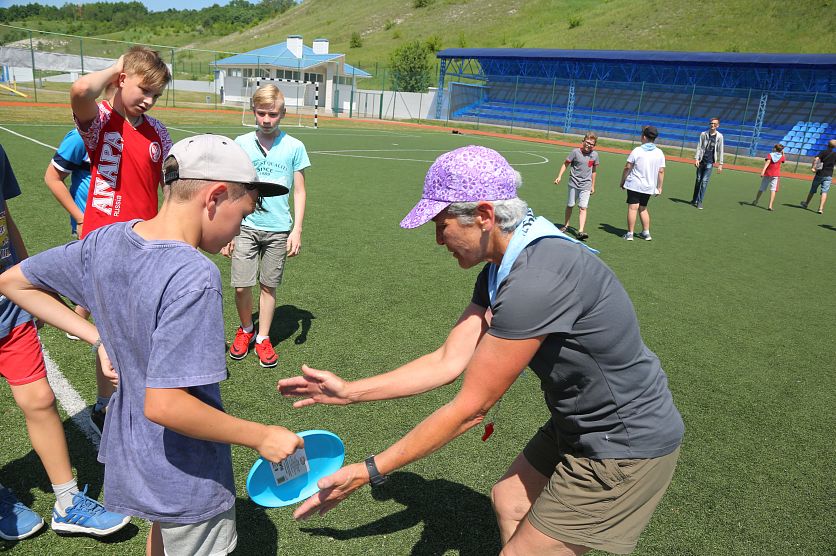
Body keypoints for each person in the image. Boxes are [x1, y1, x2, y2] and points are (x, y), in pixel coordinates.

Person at [278, 145, 684, 555]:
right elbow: (448, 360)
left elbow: (472, 408)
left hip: (623, 441)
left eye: (442, 224)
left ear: (485, 216)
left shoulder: (535, 280)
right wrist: (350, 391)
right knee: (510, 501)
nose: (438, 239)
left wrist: (369, 471)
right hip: (576, 422)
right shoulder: (501, 265)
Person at [0, 134, 303, 555]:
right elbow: (165, 404)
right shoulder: (194, 276)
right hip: (187, 469)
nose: (242, 226)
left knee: (162, 536)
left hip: (134, 449)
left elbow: (13, 281)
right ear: (214, 197)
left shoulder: (107, 240)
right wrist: (261, 436)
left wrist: (98, 337)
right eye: (244, 213)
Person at [0, 144, 130, 541]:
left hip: (6, 304)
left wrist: (28, 280)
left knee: (39, 399)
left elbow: (6, 219)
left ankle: (67, 502)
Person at [70, 46, 172, 433]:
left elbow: (169, 187)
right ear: (122, 80)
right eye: (143, 89)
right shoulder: (101, 122)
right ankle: (105, 402)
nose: (148, 100)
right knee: (110, 330)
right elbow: (81, 90)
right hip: (104, 242)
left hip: (145, 242)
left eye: (156, 95)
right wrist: (117, 66)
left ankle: (141, 394)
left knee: (142, 323)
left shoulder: (158, 131)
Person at [222, 85, 310, 368]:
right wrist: (228, 229)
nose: (266, 119)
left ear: (283, 113)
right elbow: (231, 188)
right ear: (253, 112)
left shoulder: (294, 146)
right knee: (240, 285)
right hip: (245, 225)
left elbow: (299, 191)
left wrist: (296, 230)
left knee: (268, 286)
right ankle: (246, 328)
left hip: (278, 228)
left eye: (272, 114)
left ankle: (262, 337)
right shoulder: (241, 143)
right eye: (261, 113)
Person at [620, 126, 665, 241]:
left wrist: (623, 180)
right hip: (649, 186)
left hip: (635, 184)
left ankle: (630, 234)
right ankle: (646, 232)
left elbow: (627, 166)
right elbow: (661, 171)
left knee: (633, 208)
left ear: (644, 137)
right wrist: (659, 187)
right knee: (643, 208)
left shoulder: (637, 150)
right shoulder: (659, 153)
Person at [554, 133, 599, 241]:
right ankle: (566, 225)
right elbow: (565, 164)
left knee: (583, 207)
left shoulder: (595, 155)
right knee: (570, 205)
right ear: (583, 141)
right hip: (573, 183)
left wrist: (593, 185)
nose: (589, 145)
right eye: (587, 142)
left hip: (586, 185)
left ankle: (580, 230)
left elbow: (594, 171)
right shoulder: (575, 152)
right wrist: (559, 176)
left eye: (591, 144)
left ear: (594, 146)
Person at [690, 117, 724, 209]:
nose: (713, 125)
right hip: (701, 161)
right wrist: (696, 158)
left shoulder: (719, 136)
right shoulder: (703, 134)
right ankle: (694, 199)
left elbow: (721, 150)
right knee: (698, 180)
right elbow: (699, 146)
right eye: (711, 123)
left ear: (718, 125)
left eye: (715, 124)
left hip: (710, 162)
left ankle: (700, 202)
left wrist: (720, 164)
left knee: (704, 182)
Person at [801, 138, 836, 215]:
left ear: (828, 145)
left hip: (820, 174)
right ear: (834, 147)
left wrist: (813, 167)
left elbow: (816, 159)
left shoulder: (823, 152)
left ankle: (806, 203)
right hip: (829, 175)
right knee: (824, 192)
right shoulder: (834, 154)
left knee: (812, 190)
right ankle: (820, 208)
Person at [752, 144, 786, 211]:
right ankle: (770, 205)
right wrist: (783, 152)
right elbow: (783, 160)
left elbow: (767, 163)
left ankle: (756, 201)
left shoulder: (770, 155)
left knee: (762, 188)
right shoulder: (781, 156)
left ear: (775, 149)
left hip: (768, 174)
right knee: (773, 190)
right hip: (776, 175)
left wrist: (763, 171)